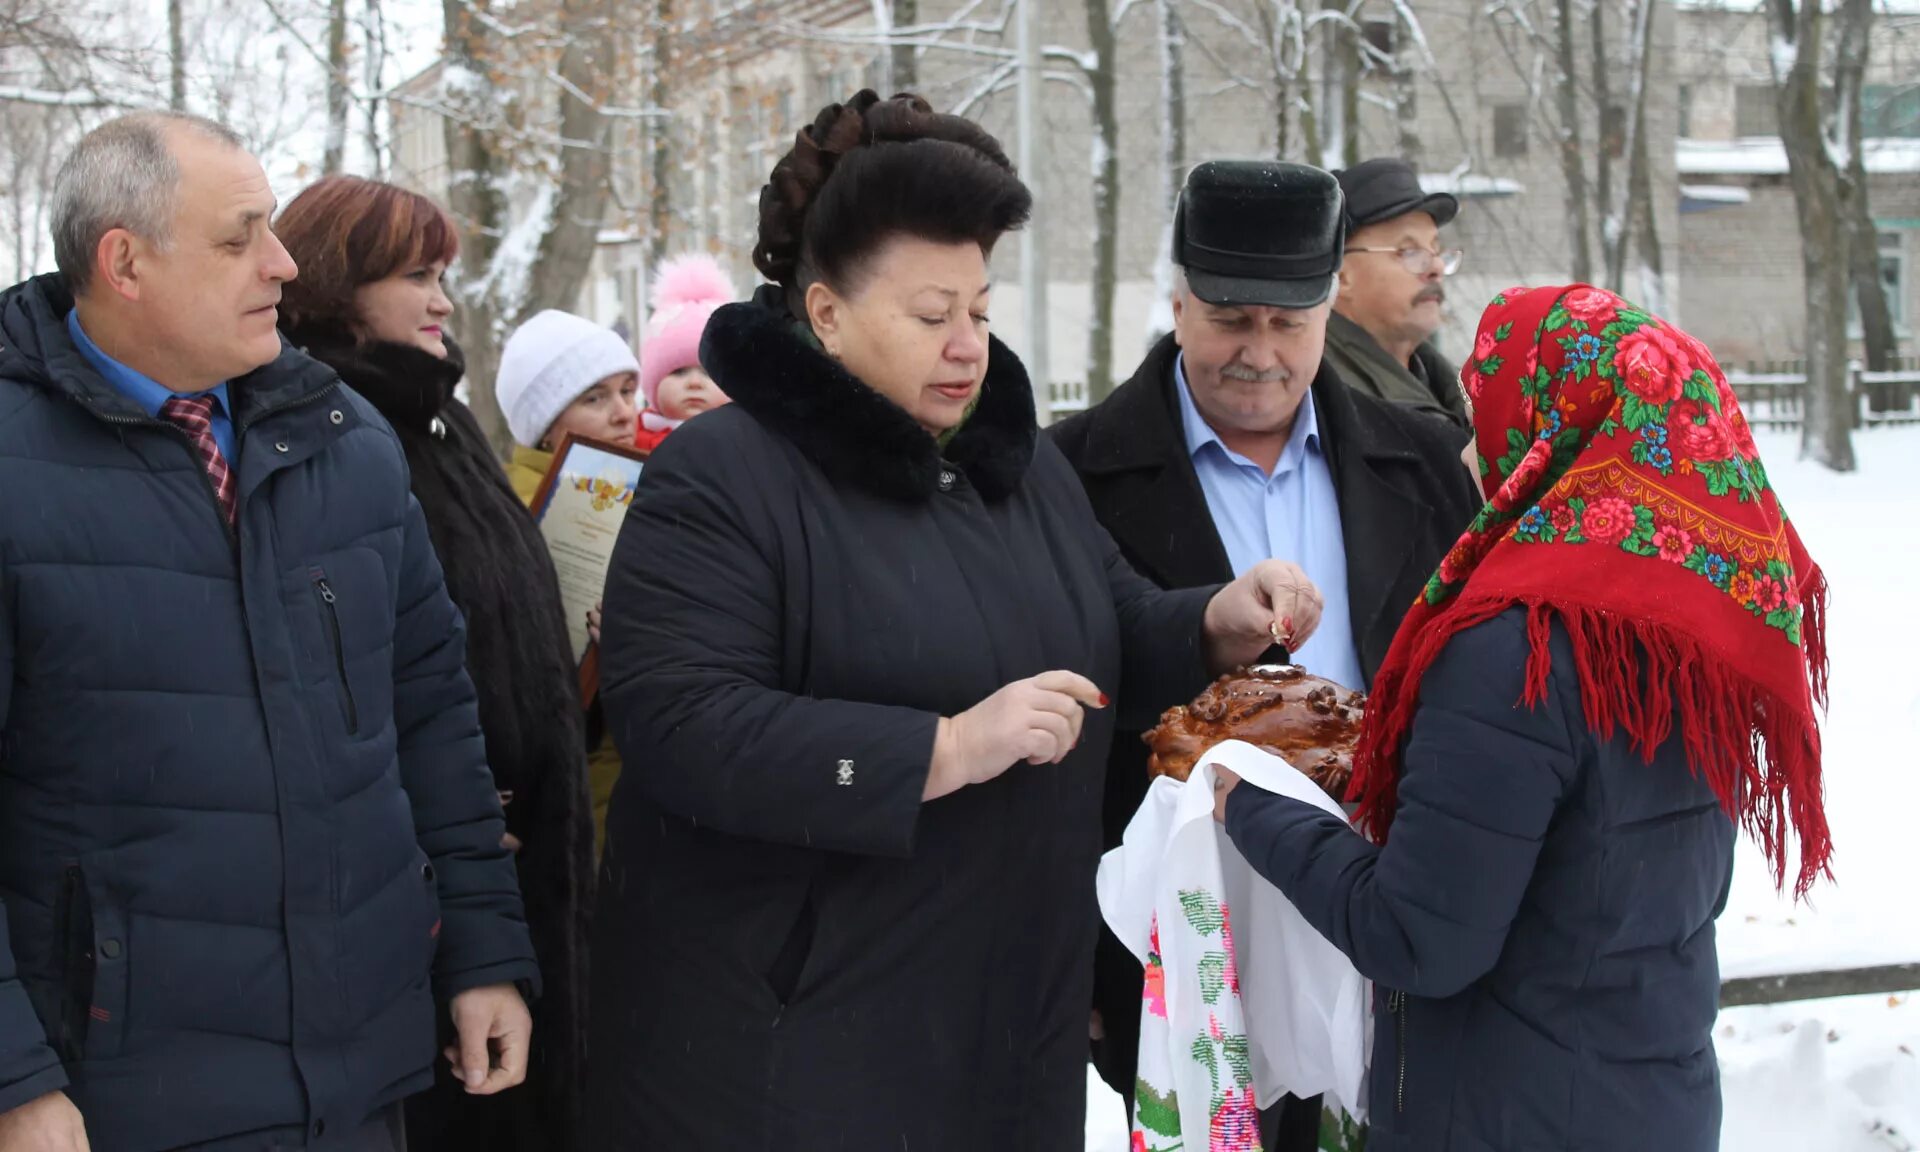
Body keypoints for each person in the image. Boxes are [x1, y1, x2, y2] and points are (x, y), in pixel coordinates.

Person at [584, 90, 1324, 1150]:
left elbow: (1103, 617)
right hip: (795, 1049)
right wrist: (940, 749)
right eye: (932, 317)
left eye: (979, 311)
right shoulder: (727, 474)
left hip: (1003, 1025)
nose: (967, 345)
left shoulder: (1012, 472)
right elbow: (683, 724)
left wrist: (1214, 622)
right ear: (827, 313)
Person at [0, 112, 536, 1152]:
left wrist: (482, 948)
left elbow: (430, 715)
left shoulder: (343, 438)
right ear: (125, 262)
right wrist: (11, 1073)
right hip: (119, 1095)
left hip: (361, 1074)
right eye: (241, 237)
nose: (284, 266)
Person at [1212, 283, 1831, 1152]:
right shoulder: (1700, 629)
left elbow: (1418, 938)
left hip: (1505, 1114)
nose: (1469, 448)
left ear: (1557, 428)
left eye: (1486, 409)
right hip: (1653, 1103)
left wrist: (1251, 805)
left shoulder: (1518, 648)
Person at [1047, 159, 1482, 1151]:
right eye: (1231, 320)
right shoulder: (1071, 472)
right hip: (1186, 944)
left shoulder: (1420, 462)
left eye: (1288, 322)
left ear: (1329, 306)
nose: (1260, 352)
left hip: (1386, 928)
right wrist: (1075, 958)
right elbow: (1065, 729)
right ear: (1178, 303)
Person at [275, 175, 594, 1152]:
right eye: (416, 275)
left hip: (532, 882)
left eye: (443, 273)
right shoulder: (323, 436)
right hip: (427, 913)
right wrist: (430, 847)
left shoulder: (439, 423)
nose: (442, 300)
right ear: (337, 285)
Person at [495, 310, 641, 856]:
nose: (625, 412)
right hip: (573, 768)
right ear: (546, 423)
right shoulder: (511, 510)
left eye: (629, 390)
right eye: (595, 398)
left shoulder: (641, 485)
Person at [1322, 157, 1468, 429]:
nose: (1435, 267)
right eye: (1409, 251)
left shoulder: (1455, 390)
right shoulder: (1323, 399)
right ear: (1341, 277)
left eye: (1435, 250)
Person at [633, 252, 734, 453]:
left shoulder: (747, 441)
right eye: (679, 372)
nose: (694, 383)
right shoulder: (632, 440)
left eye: (709, 373)